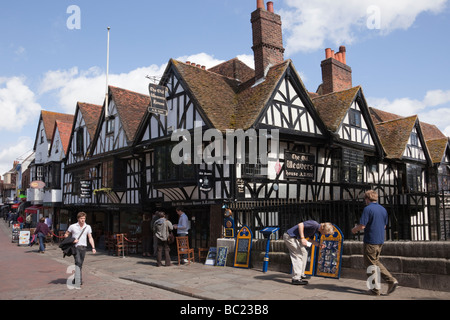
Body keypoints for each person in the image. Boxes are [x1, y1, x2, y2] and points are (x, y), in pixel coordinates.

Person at [352, 190, 398, 296]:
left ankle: (375, 289)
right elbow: (385, 226)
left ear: (367, 199)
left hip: (370, 240)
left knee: (370, 265)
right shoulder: (383, 209)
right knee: (375, 262)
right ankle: (391, 281)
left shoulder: (367, 209)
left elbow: (362, 226)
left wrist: (354, 229)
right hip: (380, 240)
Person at [283, 220, 334, 285]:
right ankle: (296, 278)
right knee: (298, 255)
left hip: (296, 238)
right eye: (326, 233)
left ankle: (301, 274)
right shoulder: (314, 224)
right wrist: (302, 238)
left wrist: (318, 244)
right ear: (323, 229)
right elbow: (300, 224)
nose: (325, 235)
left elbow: (310, 240)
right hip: (290, 237)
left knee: (304, 253)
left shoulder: (315, 230)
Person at [65, 212, 96, 287]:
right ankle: (79, 280)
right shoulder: (72, 226)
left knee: (80, 264)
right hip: (75, 247)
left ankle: (76, 279)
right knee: (78, 262)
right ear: (78, 218)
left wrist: (93, 247)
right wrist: (72, 240)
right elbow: (66, 235)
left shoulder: (87, 227)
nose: (83, 220)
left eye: (84, 218)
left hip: (83, 247)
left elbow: (90, 237)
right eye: (81, 218)